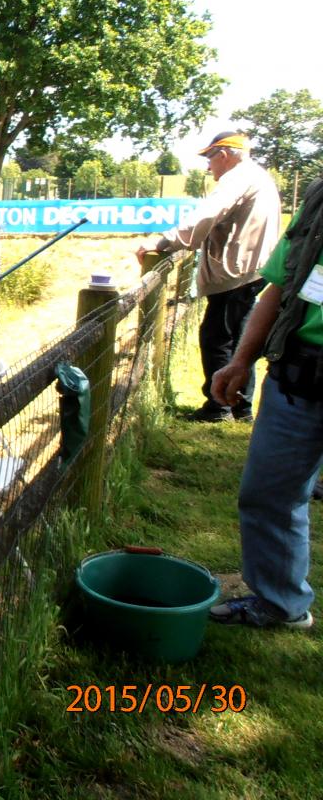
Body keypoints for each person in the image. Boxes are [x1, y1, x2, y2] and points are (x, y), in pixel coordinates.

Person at [207, 177, 323, 629]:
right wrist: (240, 362)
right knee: (268, 494)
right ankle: (279, 603)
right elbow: (276, 290)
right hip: (298, 378)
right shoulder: (317, 205)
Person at [136, 131, 280, 422]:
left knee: (218, 339)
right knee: (238, 338)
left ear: (224, 154)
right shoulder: (258, 176)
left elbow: (207, 214)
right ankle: (240, 407)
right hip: (251, 269)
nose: (207, 167)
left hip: (236, 272)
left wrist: (165, 241)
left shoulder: (237, 178)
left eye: (209, 158)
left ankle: (219, 407)